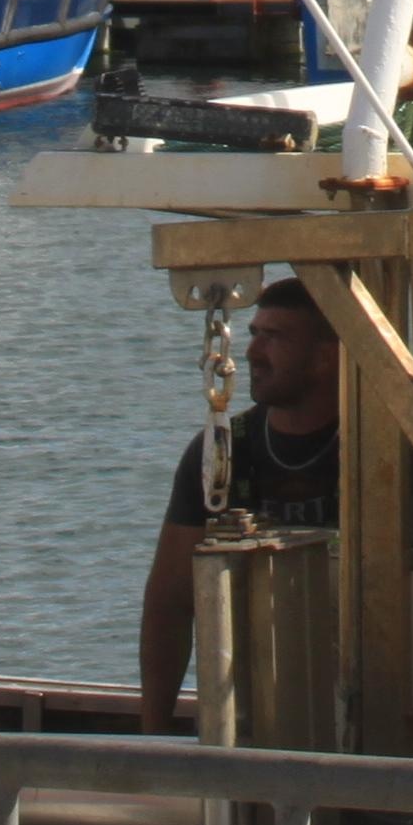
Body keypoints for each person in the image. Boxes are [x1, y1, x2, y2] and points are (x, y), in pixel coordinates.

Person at [138, 277, 343, 732]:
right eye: (254, 334)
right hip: (249, 702)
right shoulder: (221, 452)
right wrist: (152, 736)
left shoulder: (379, 448)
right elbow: (170, 601)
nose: (251, 353)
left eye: (276, 338)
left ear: (326, 357)